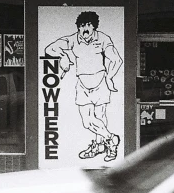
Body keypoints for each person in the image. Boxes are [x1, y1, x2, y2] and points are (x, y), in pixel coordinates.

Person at [44, 11, 123, 161]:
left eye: (89, 25)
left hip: (101, 84)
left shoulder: (103, 39)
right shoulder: (72, 40)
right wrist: (64, 56)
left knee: (100, 117)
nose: (85, 29)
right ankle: (112, 139)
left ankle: (99, 147)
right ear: (78, 27)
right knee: (87, 122)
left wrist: (110, 77)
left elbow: (117, 60)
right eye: (81, 26)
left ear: (94, 26)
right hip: (83, 85)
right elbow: (49, 49)